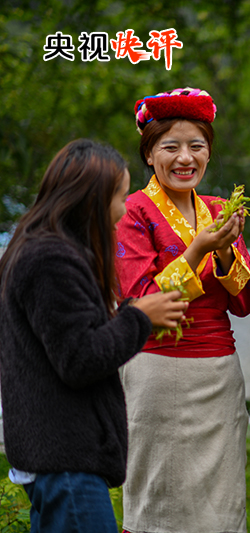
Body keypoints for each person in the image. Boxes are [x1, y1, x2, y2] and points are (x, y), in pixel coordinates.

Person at [0, 139, 187, 532]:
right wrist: (139, 317)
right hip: (66, 461)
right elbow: (80, 357)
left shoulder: (40, 247)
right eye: (120, 196)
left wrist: (129, 313)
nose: (125, 207)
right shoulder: (51, 259)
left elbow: (70, 337)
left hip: (58, 460)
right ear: (93, 199)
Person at [115, 87, 250, 533]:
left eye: (196, 146)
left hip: (219, 371)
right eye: (171, 147)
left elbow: (247, 300)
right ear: (149, 155)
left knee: (221, 500)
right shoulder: (132, 211)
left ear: (208, 152)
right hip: (157, 370)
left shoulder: (219, 210)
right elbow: (141, 299)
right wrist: (199, 248)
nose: (185, 158)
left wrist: (224, 252)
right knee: (157, 495)